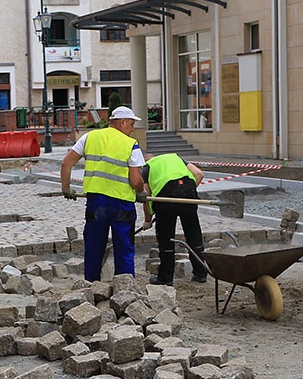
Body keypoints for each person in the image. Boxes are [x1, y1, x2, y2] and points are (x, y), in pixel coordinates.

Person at [60, 106, 147, 282]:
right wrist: (141, 192)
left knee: (93, 247)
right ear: (122, 122)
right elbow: (136, 179)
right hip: (121, 203)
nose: (132, 129)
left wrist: (66, 189)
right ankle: (125, 288)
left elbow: (66, 164)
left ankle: (91, 286)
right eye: (131, 124)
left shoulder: (89, 137)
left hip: (96, 203)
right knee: (124, 248)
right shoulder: (131, 145)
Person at [140, 153, 207, 285]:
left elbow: (147, 197)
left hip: (166, 197)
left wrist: (148, 220)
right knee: (194, 235)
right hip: (188, 192)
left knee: (166, 238)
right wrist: (186, 193)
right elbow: (199, 174)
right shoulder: (176, 158)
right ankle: (201, 274)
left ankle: (166, 278)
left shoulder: (147, 167)